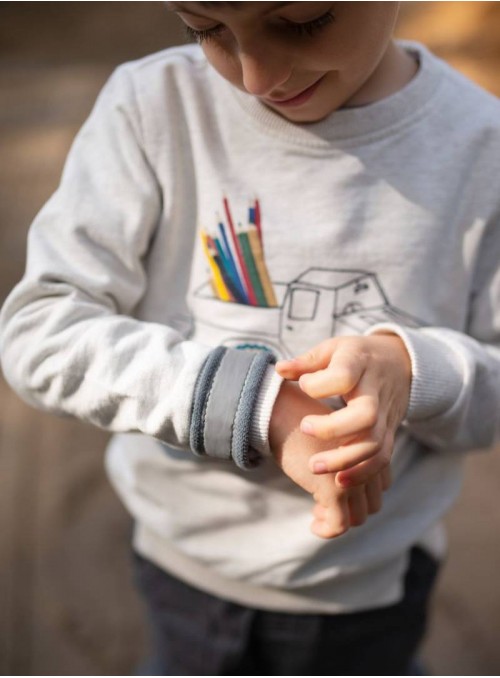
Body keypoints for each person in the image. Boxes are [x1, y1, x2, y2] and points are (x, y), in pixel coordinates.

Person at [1, 1, 500, 674]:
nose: (257, 75)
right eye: (205, 29)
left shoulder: (481, 145)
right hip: (186, 571)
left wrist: (411, 369)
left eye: (301, 21)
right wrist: (256, 405)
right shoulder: (155, 109)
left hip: (374, 588)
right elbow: (40, 331)